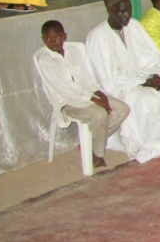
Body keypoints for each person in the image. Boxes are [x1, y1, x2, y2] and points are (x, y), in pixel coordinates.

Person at [85, 0, 160, 162]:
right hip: (120, 88)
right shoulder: (97, 37)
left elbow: (151, 57)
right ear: (109, 11)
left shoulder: (134, 26)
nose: (127, 15)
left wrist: (157, 77)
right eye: (122, 11)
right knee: (146, 100)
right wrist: (143, 81)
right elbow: (107, 79)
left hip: (143, 77)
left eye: (129, 10)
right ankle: (153, 142)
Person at [33, 20, 130, 169]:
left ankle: (89, 142)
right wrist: (96, 101)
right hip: (68, 103)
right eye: (48, 39)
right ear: (43, 39)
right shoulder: (45, 61)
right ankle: (98, 155)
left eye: (57, 37)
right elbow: (66, 91)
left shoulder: (73, 52)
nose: (52, 42)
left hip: (87, 94)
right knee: (100, 114)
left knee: (123, 108)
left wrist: (100, 94)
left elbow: (86, 78)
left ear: (64, 36)